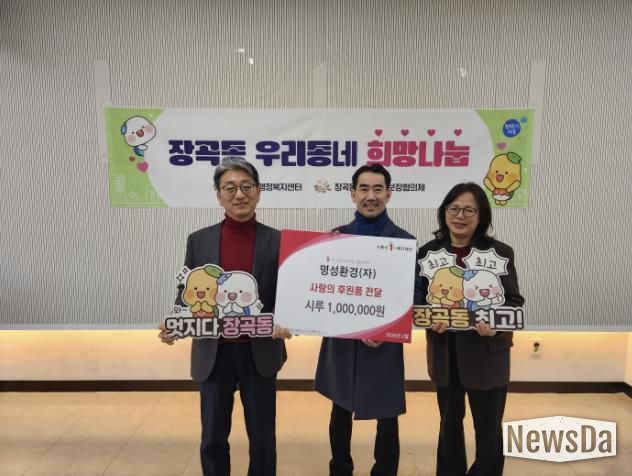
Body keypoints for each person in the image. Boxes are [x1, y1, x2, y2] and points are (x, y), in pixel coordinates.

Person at [159, 157, 286, 476]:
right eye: (230, 188)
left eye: (246, 186)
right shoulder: (198, 240)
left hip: (260, 352)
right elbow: (188, 292)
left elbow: (288, 294)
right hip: (213, 353)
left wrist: (287, 319)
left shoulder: (279, 241)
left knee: (263, 438)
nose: (239, 194)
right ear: (218, 196)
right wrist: (176, 321)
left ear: (258, 191)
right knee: (213, 437)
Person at [414, 182, 524, 476]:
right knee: (449, 425)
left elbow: (513, 301)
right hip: (445, 353)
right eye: (454, 208)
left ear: (481, 215)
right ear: (444, 212)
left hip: (487, 352)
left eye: (468, 210)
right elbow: (419, 300)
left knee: (488, 429)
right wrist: (428, 317)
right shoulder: (427, 253)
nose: (459, 216)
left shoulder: (499, 252)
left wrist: (496, 325)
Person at [314, 164, 416, 476]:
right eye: (364, 189)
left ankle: (385, 470)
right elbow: (320, 285)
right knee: (340, 407)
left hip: (384, 342)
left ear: (389, 194)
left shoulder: (404, 241)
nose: (370, 196)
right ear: (353, 194)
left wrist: (386, 329)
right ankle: (340, 468)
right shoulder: (335, 238)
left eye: (377, 189)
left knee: (387, 413)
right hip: (342, 341)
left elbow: (414, 293)